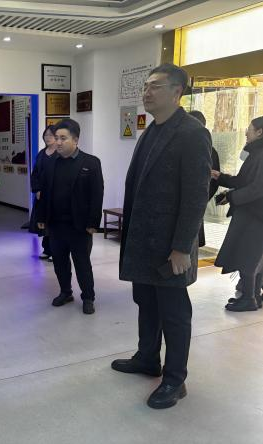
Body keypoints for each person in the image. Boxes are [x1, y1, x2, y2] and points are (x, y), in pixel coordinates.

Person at [113, 64, 212, 409]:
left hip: (170, 247)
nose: (146, 92)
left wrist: (182, 247)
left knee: (174, 313)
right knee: (146, 303)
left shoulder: (192, 133)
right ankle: (147, 357)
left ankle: (175, 379)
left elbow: (196, 196)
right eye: (145, 86)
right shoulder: (151, 131)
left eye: (154, 86)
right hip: (143, 243)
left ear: (176, 92)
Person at [37, 118, 104, 315]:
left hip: (80, 226)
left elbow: (97, 194)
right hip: (56, 224)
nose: (58, 142)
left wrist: (93, 223)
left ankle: (88, 297)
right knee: (59, 262)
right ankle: (65, 292)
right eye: (56, 138)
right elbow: (44, 192)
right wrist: (41, 217)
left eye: (63, 138)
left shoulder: (90, 162)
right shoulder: (51, 163)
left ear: (75, 140)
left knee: (82, 263)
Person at [212, 116, 263, 311]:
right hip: (251, 214)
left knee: (248, 256)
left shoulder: (260, 154)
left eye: (249, 128)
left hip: (255, 216)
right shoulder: (255, 153)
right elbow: (244, 181)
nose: (246, 132)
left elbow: (257, 188)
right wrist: (221, 178)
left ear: (259, 132)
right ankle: (254, 296)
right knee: (251, 256)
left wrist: (231, 197)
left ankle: (249, 299)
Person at [187, 110, 220, 248]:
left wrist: (200, 199)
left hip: (193, 206)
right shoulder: (182, 147)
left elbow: (214, 182)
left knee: (189, 246)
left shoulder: (210, 151)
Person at [29, 125, 58, 261]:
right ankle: (47, 249)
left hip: (56, 194)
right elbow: (35, 174)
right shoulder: (41, 153)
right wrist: (37, 189)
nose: (48, 138)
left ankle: (56, 251)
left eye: (50, 135)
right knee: (44, 222)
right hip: (42, 195)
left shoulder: (60, 153)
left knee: (54, 223)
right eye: (46, 135)